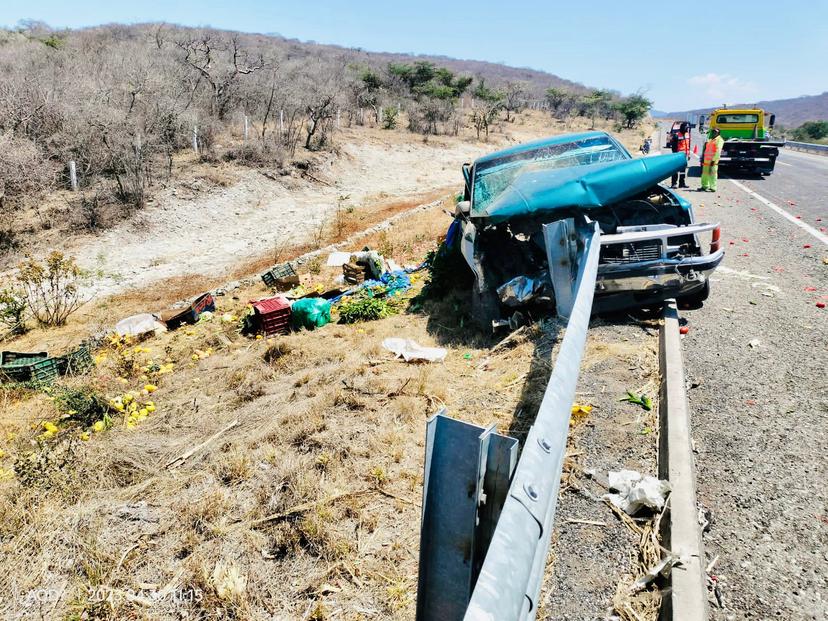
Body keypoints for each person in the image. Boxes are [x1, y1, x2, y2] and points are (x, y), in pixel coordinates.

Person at [700, 128, 725, 192]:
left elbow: (718, 151)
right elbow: (706, 150)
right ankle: (704, 186)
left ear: (718, 133)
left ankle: (713, 187)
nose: (714, 133)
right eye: (713, 131)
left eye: (715, 132)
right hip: (706, 161)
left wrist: (713, 160)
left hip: (712, 161)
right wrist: (703, 158)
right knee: (704, 175)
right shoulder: (711, 140)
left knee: (713, 175)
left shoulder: (719, 140)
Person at [670, 122, 690, 188]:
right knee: (675, 170)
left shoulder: (687, 135)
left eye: (688, 128)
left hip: (684, 156)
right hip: (678, 156)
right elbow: (673, 147)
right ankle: (674, 183)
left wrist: (688, 155)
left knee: (683, 171)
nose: (687, 129)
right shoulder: (676, 135)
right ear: (682, 128)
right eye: (686, 128)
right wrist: (675, 156)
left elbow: (688, 145)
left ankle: (682, 183)